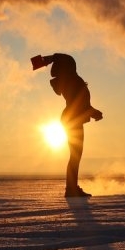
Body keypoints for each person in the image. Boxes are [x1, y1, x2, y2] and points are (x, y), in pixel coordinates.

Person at [32, 53, 103, 197]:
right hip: (73, 119)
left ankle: (72, 188)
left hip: (71, 118)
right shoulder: (73, 80)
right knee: (75, 155)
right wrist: (94, 112)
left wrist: (48, 59)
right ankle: (71, 189)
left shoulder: (67, 80)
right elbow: (80, 102)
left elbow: (81, 103)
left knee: (75, 155)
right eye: (72, 63)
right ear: (69, 66)